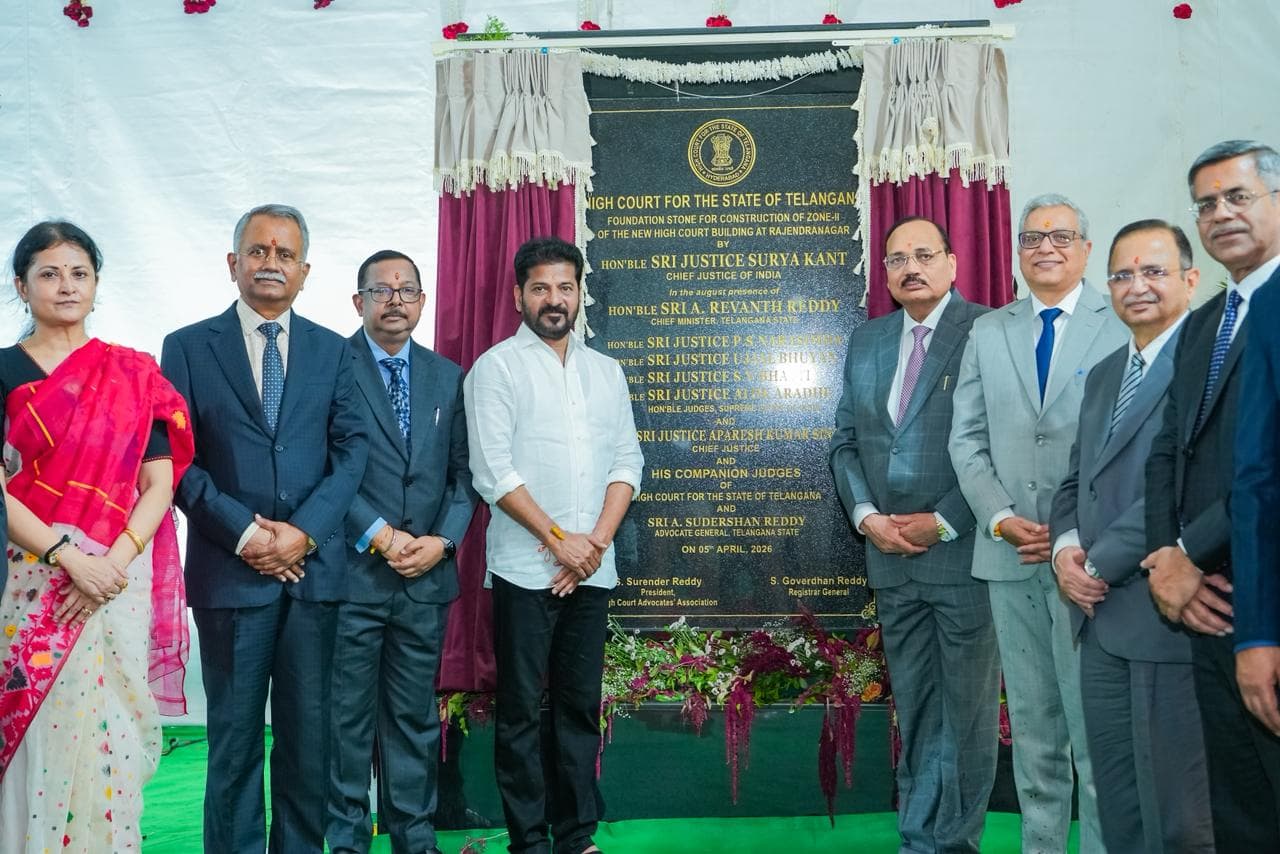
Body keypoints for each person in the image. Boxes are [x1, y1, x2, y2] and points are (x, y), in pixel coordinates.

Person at [161, 203, 368, 853]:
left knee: (310, 743)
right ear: (233, 263)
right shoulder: (189, 347)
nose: (270, 263)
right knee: (234, 742)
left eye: (284, 254)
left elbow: (352, 453)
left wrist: (300, 534)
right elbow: (175, 458)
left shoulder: (336, 352)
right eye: (258, 251)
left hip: (314, 577)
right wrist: (246, 535)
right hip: (230, 576)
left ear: (305, 271)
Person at [0, 221, 194, 852]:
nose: (66, 286)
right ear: (21, 286)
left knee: (109, 727)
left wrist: (109, 564)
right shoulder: (4, 370)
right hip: (29, 580)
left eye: (79, 273)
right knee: (33, 730)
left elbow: (158, 481)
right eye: (49, 273)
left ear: (97, 284)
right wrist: (65, 558)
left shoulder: (132, 374)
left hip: (117, 580)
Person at [949, 194, 1125, 852]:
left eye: (1060, 236)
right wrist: (998, 518)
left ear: (1085, 248)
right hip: (1010, 557)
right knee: (1034, 730)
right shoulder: (989, 331)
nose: (1045, 248)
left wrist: (1077, 530)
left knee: (1095, 730)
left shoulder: (1119, 321)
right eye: (1031, 238)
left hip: (1093, 564)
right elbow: (965, 441)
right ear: (1016, 252)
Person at [465, 236, 643, 854]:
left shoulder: (606, 371)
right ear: (519, 295)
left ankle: (575, 835)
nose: (554, 299)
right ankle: (529, 842)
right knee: (519, 713)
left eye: (565, 287)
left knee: (577, 708)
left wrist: (590, 546)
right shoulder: (496, 369)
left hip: (591, 566)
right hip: (524, 568)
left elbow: (627, 464)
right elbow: (495, 474)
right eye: (540, 287)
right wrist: (560, 542)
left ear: (580, 293)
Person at [830, 217, 999, 853]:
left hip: (963, 553)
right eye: (897, 259)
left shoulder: (989, 330)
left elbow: (999, 445)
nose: (911, 268)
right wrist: (866, 516)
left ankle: (955, 843)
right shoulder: (868, 341)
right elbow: (846, 442)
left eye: (924, 255)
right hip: (890, 559)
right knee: (918, 705)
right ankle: (918, 840)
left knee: (968, 711)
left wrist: (947, 519)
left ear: (954, 263)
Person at [1049, 220, 1212, 852]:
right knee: (1118, 806)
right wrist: (1065, 550)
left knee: (1178, 815)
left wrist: (1099, 562)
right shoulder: (1106, 372)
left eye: (1153, 271)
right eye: (1121, 274)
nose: (1135, 286)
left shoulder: (1207, 363)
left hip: (1162, 616)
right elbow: (1075, 481)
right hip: (1099, 624)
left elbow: (1184, 483)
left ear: (1190, 279)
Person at [1146, 139, 1280, 849]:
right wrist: (1169, 559)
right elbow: (1168, 450)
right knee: (1238, 809)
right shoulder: (1202, 324)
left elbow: (1267, 468)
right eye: (1206, 204)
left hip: (1266, 595)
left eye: (1238, 197)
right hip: (1204, 607)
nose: (1220, 213)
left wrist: (1188, 552)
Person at [326, 250, 477, 854]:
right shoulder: (333, 365)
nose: (396, 299)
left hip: (425, 580)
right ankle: (346, 841)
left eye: (407, 290)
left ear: (422, 301)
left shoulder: (448, 375)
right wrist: (380, 535)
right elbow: (326, 468)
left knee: (414, 719)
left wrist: (442, 542)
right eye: (381, 290)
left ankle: (416, 839)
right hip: (354, 574)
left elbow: (464, 478)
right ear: (357, 300)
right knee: (348, 723)